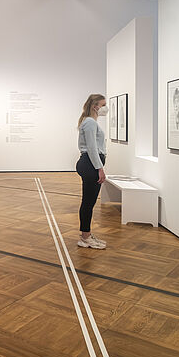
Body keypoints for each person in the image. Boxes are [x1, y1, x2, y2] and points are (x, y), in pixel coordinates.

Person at [76, 94, 108, 249]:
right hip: (90, 164)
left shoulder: (90, 122)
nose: (105, 108)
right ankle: (85, 237)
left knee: (89, 202)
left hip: (90, 163)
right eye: (103, 105)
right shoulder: (89, 122)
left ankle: (86, 234)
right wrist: (100, 168)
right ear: (95, 106)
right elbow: (92, 148)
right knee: (88, 202)